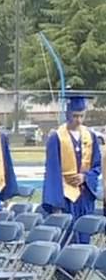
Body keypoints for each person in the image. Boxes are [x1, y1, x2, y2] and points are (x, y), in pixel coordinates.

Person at [43, 95, 101, 243]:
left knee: (84, 234)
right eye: (75, 116)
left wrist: (85, 177)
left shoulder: (91, 136)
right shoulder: (56, 137)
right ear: (68, 114)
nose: (79, 120)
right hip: (66, 196)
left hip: (84, 195)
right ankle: (64, 266)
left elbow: (97, 165)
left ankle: (81, 265)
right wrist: (55, 202)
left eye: (82, 116)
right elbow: (52, 172)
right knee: (67, 236)